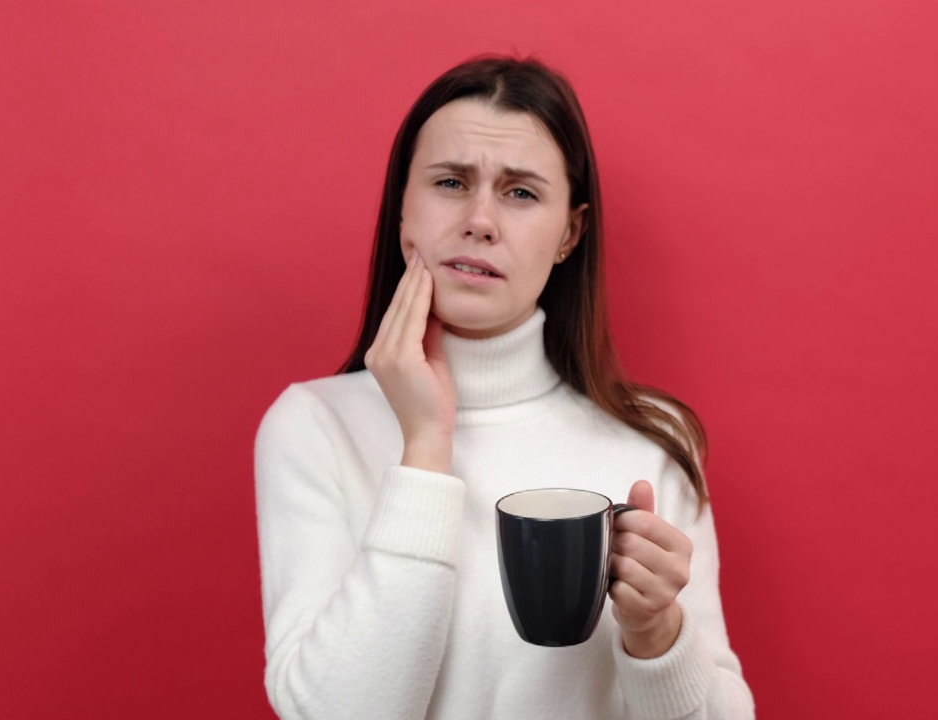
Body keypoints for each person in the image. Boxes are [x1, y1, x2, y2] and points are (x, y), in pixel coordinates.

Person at [254, 55, 756, 720]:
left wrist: (655, 633)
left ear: (569, 234)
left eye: (521, 193)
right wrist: (426, 445)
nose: (481, 219)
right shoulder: (313, 427)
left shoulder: (653, 439)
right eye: (451, 182)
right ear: (403, 210)